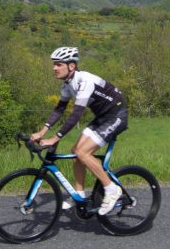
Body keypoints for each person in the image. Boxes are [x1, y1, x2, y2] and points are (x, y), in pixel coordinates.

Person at [31, 46, 128, 215]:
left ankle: (112, 189)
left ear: (71, 66)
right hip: (102, 116)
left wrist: (54, 138)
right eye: (54, 64)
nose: (54, 68)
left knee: (83, 153)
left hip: (116, 115)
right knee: (76, 151)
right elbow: (59, 109)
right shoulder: (68, 85)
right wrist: (42, 132)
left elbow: (76, 114)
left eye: (59, 64)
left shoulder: (85, 81)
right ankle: (79, 194)